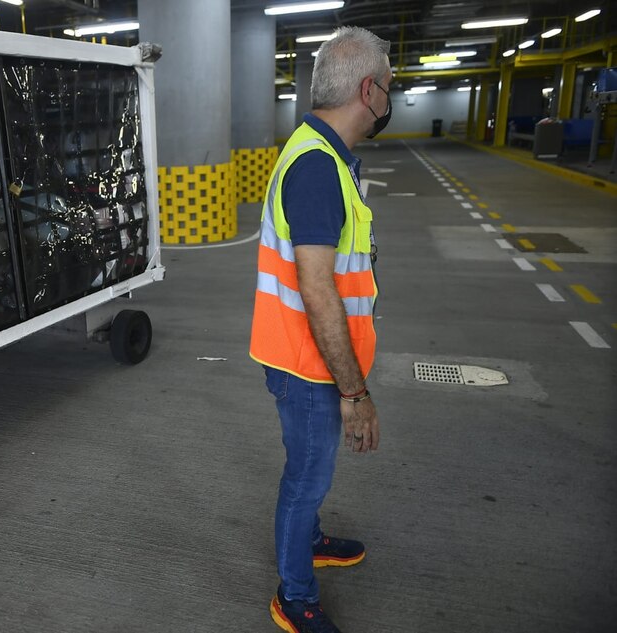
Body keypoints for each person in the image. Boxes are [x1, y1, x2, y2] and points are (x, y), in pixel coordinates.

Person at [249, 26, 391, 633]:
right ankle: (295, 594)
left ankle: (308, 541)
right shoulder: (316, 167)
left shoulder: (322, 153)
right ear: (368, 90)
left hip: (306, 357)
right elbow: (316, 287)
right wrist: (354, 394)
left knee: (309, 469)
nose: (390, 97)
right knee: (307, 477)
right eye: (389, 86)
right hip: (307, 364)